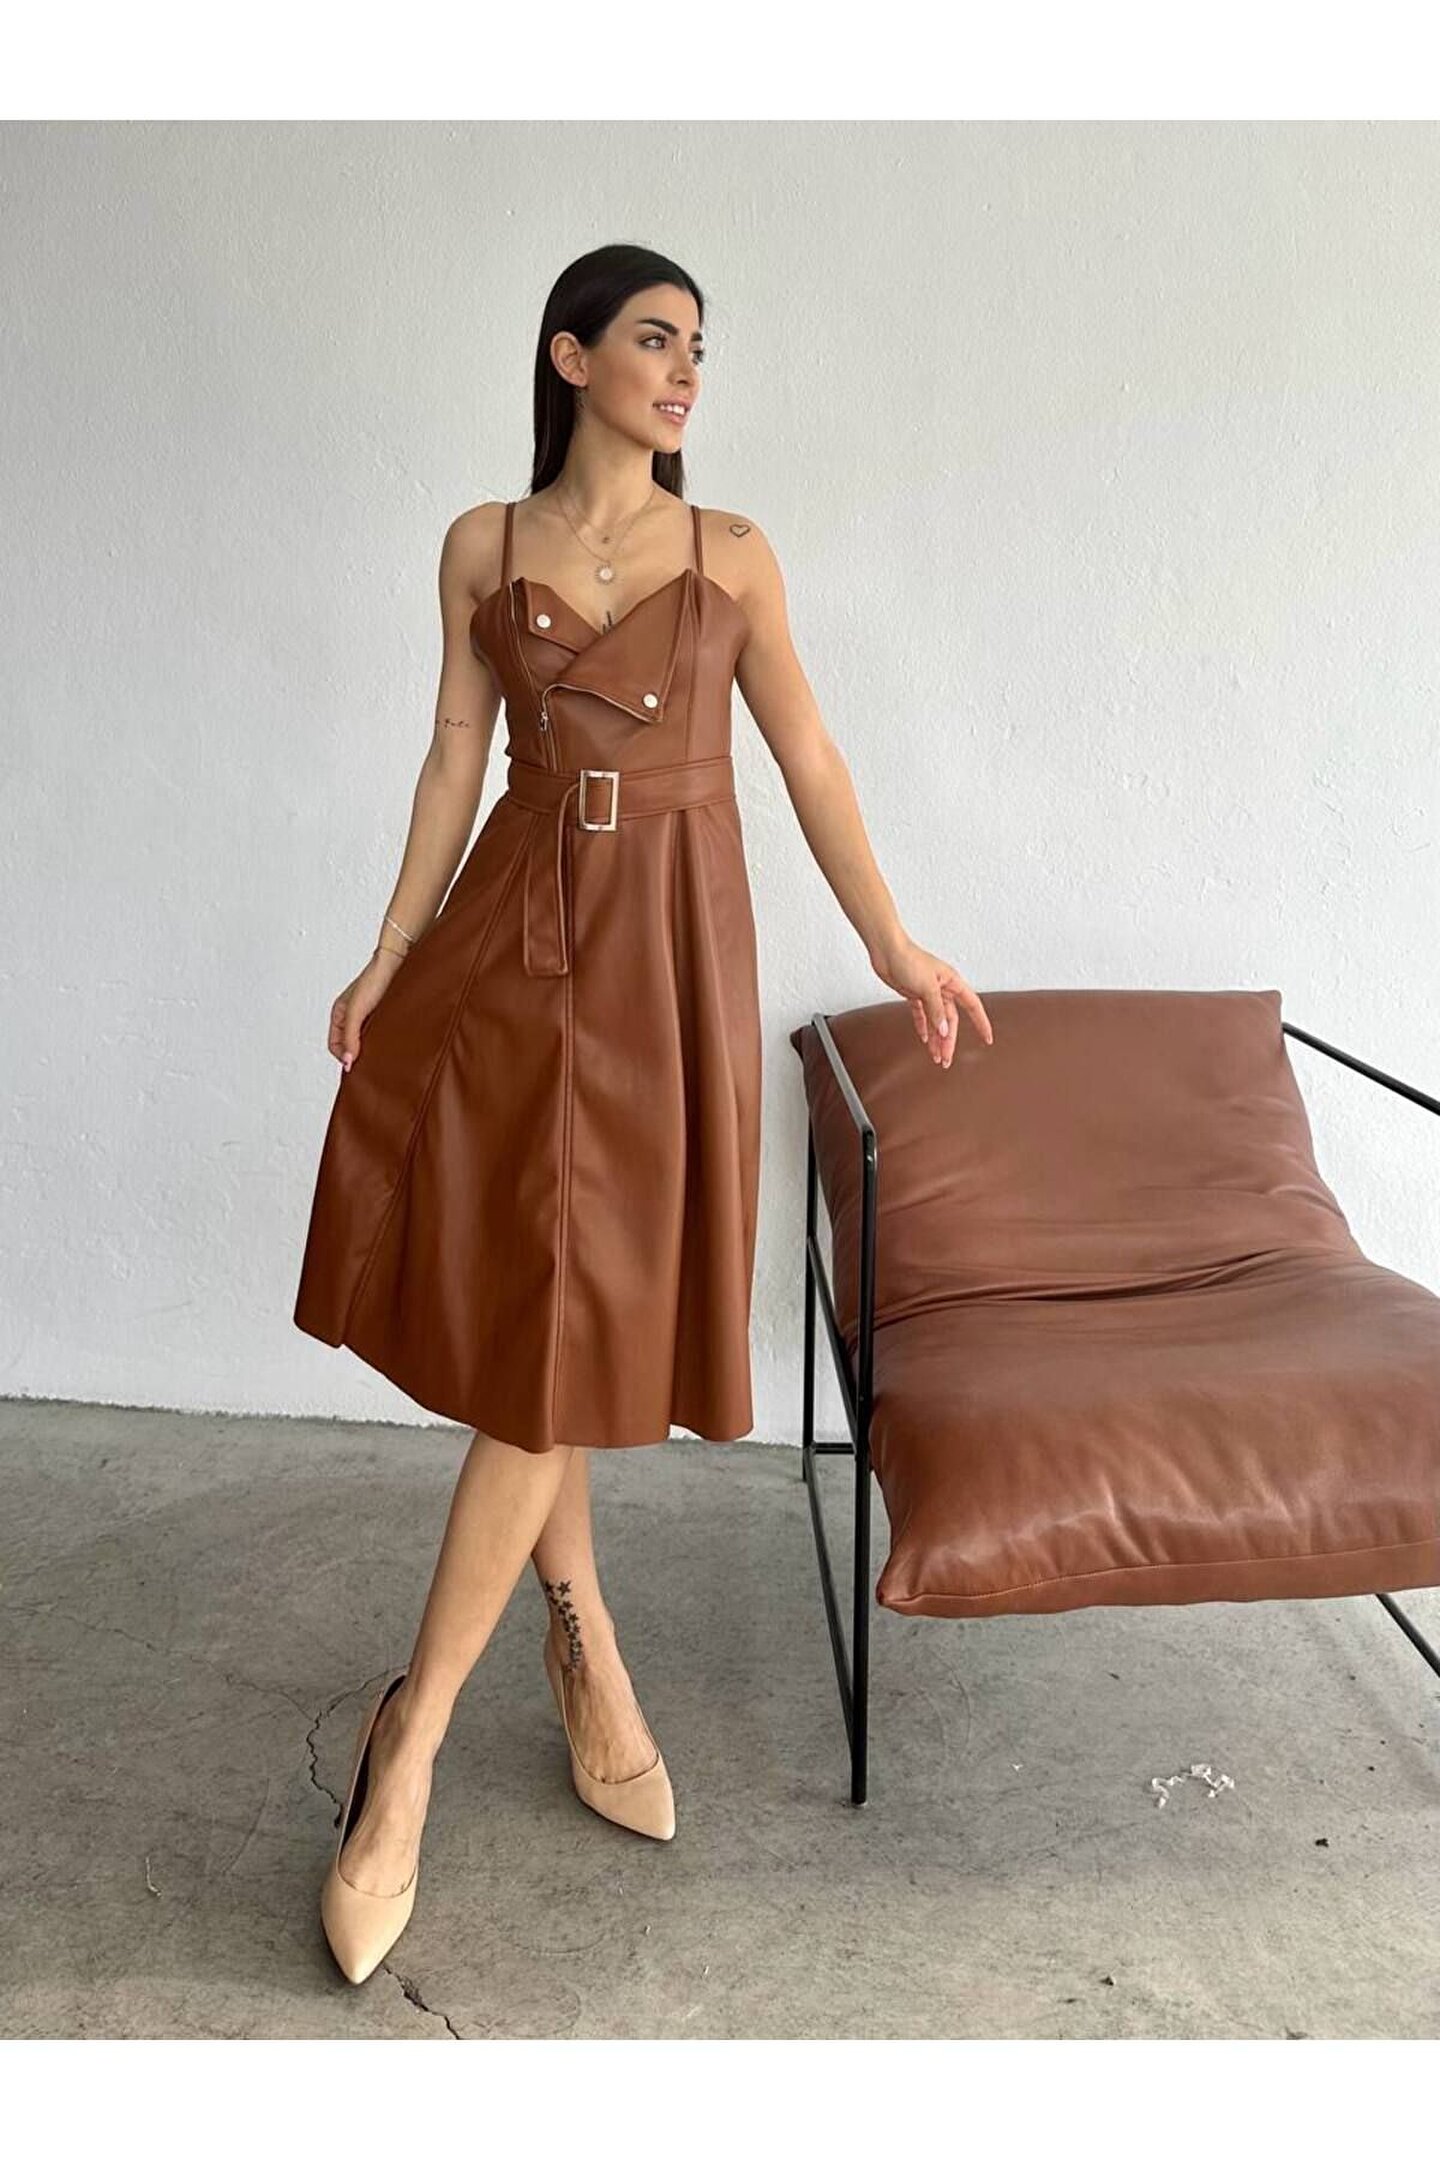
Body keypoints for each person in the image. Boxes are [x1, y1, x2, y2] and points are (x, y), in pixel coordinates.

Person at [294, 242, 993, 1982]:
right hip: (513, 947)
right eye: (655, 339)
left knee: (573, 1328)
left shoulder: (732, 554)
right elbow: (453, 757)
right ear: (572, 356)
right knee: (547, 1332)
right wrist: (389, 954)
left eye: (699, 349)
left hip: (669, 956)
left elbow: (809, 758)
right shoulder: (481, 545)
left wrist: (896, 944)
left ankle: (474, 1697)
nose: (685, 372)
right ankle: (499, 1696)